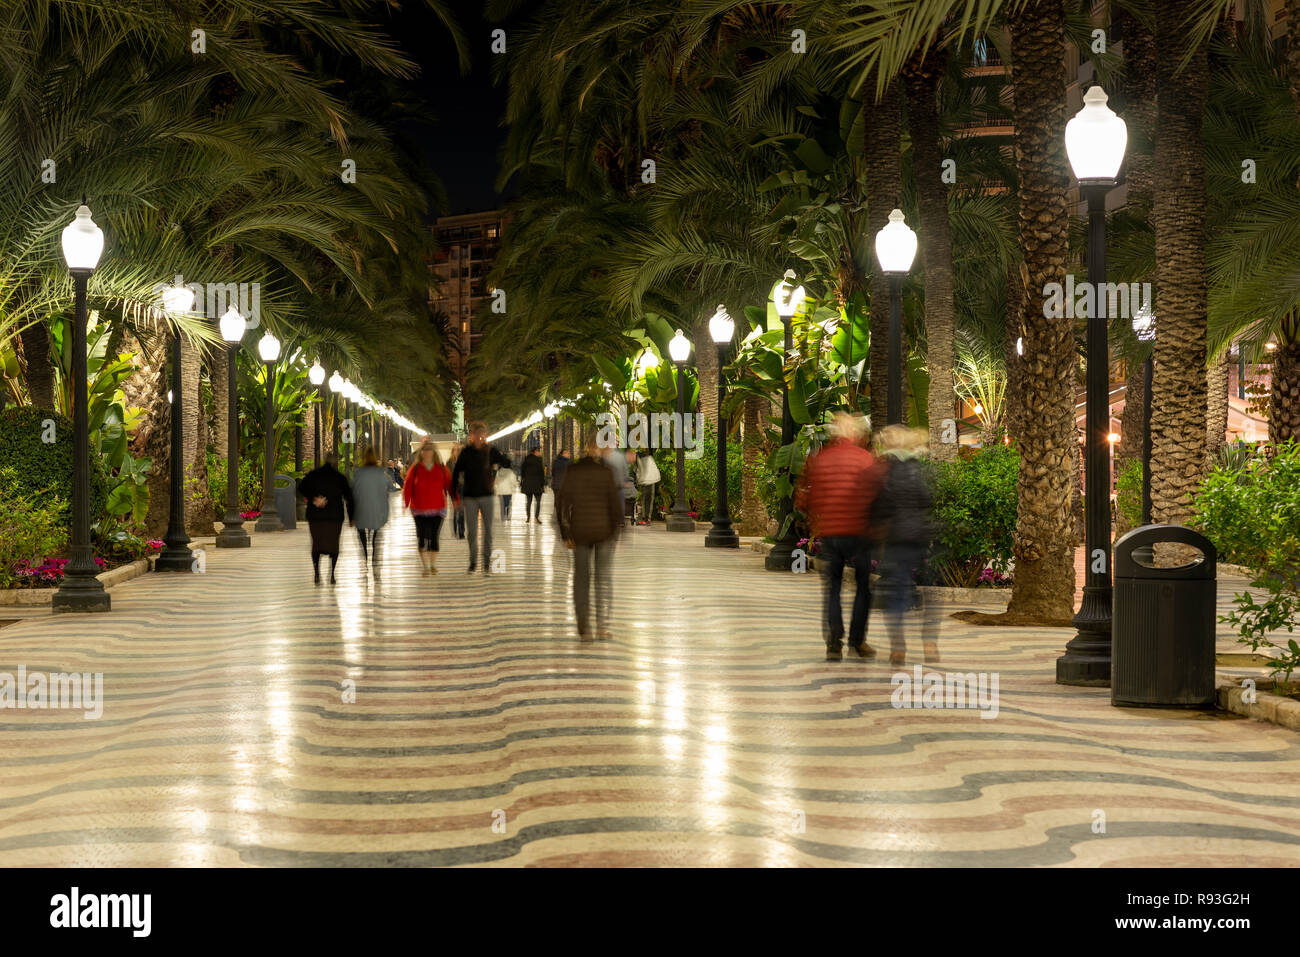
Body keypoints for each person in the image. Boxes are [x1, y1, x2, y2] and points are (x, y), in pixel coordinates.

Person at [794, 413, 881, 661]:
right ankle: (857, 641)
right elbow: (875, 494)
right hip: (860, 533)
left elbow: (805, 497)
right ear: (854, 434)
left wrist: (815, 520)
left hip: (831, 532)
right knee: (863, 587)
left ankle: (834, 641)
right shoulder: (865, 459)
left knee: (832, 588)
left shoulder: (821, 459)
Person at [871, 425, 939, 667]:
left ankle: (898, 647)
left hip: (896, 538)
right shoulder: (919, 468)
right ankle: (930, 643)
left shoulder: (888, 470)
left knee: (896, 594)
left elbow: (880, 503)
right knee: (931, 593)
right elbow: (928, 498)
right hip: (919, 536)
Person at [556, 437, 624, 640]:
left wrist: (565, 532)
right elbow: (615, 505)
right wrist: (617, 531)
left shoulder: (574, 471)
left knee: (581, 579)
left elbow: (561, 503)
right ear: (601, 450)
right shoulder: (606, 472)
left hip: (580, 532)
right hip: (604, 533)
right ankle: (602, 626)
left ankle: (584, 626)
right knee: (602, 579)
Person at [451, 422, 511, 573]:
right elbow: (456, 472)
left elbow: (507, 463)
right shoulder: (466, 453)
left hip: (487, 496)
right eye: (476, 434)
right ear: (472, 436)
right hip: (470, 496)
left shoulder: (491, 451)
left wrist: (502, 458)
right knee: (472, 532)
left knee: (488, 531)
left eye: (482, 434)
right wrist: (455, 497)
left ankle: (486, 562)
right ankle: (473, 562)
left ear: (485, 435)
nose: (479, 437)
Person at [298, 451, 354, 585]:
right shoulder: (340, 478)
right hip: (334, 517)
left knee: (316, 543)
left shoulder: (314, 475)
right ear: (336, 463)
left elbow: (301, 487)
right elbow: (349, 498)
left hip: (316, 517)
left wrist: (314, 498)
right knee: (334, 545)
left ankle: (317, 572)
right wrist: (352, 517)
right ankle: (332, 574)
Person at [403, 439, 454, 575]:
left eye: (430, 449)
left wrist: (456, 499)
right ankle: (425, 566)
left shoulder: (442, 468)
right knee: (421, 538)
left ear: (434, 452)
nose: (427, 452)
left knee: (433, 537)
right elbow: (408, 486)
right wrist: (405, 502)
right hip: (418, 509)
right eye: (425, 449)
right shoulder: (415, 468)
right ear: (421, 452)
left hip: (438, 508)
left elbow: (449, 485)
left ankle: (432, 565)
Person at [351, 447, 391, 581]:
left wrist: (351, 514)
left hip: (361, 510)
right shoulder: (380, 473)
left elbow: (353, 492)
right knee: (376, 536)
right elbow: (388, 488)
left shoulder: (358, 473)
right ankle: (374, 560)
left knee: (362, 534)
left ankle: (365, 558)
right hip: (377, 511)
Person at [520, 447, 545, 524]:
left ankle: (528, 517)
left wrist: (523, 481)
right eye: (538, 451)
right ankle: (536, 517)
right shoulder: (539, 460)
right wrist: (542, 484)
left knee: (529, 501)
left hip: (528, 483)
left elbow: (522, 472)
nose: (539, 453)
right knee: (538, 502)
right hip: (537, 483)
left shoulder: (526, 460)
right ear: (534, 452)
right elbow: (541, 474)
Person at [635, 449, 660, 524]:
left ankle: (645, 519)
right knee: (647, 500)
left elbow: (640, 472)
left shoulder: (643, 460)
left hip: (648, 482)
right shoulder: (648, 459)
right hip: (650, 482)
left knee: (646, 500)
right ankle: (646, 518)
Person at [448, 443, 466, 539]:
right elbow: (447, 476)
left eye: (459, 450)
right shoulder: (449, 462)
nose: (457, 452)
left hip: (463, 487)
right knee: (455, 510)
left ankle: (461, 531)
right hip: (454, 488)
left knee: (462, 510)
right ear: (453, 451)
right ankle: (455, 528)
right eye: (456, 449)